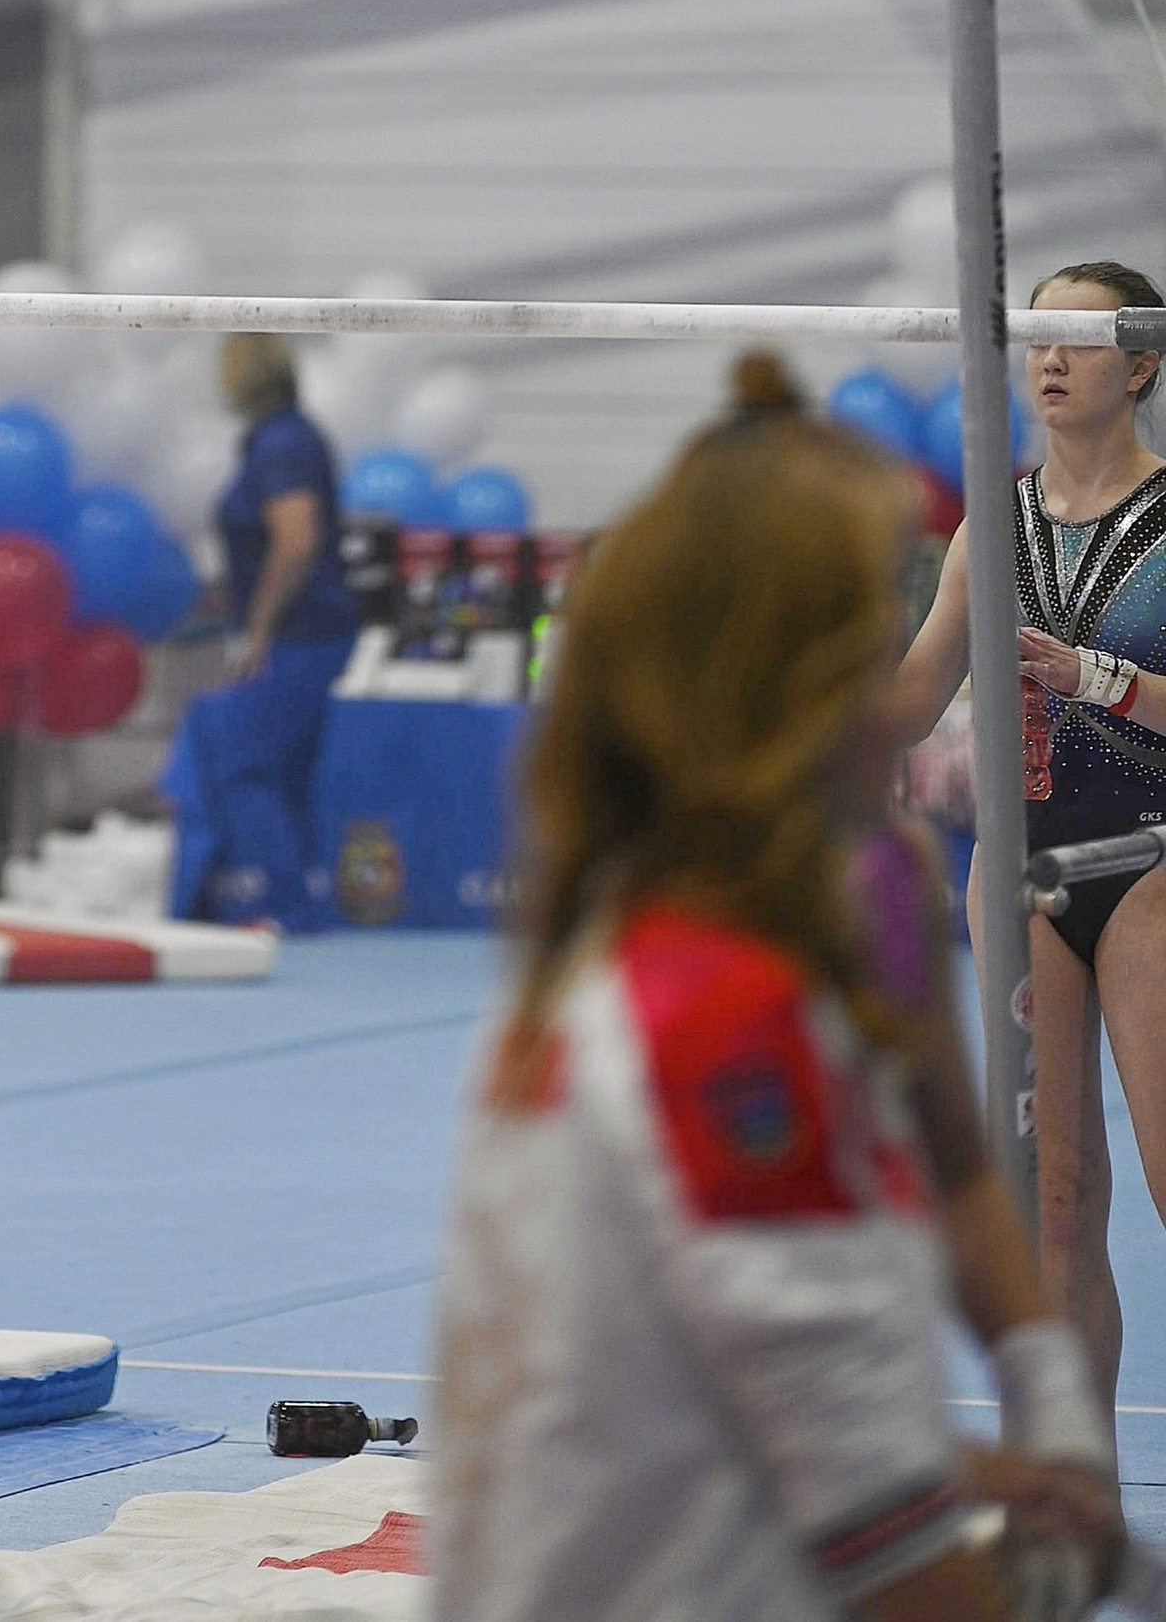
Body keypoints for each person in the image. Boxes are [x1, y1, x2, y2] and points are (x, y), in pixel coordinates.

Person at [435, 352, 1120, 1622]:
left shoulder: (865, 882)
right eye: (878, 649)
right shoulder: (719, 1024)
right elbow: (891, 1560)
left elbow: (955, 1153)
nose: (903, 698)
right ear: (801, 693)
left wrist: (1056, 1420)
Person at [898, 260, 1166, 1418]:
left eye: (1077, 337)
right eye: (1034, 337)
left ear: (1142, 362)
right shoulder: (986, 527)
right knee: (1052, 1197)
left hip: (1149, 864)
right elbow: (906, 699)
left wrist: (1094, 676)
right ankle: (1075, 1491)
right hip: (1018, 877)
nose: (1048, 359)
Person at [160, 334, 359, 933]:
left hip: (300, 630)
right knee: (289, 772)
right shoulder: (282, 438)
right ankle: (304, 905)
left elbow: (296, 543)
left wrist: (258, 632)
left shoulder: (281, 443)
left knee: (245, 767)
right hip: (309, 624)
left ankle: (291, 906)